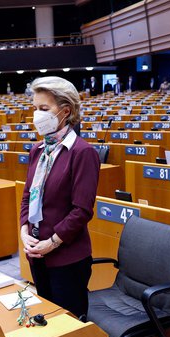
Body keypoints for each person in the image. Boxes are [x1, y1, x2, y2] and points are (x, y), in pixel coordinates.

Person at [19, 76, 100, 319]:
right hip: (37, 255)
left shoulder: (83, 153)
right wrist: (24, 230)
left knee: (68, 325)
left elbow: (82, 211)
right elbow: (27, 196)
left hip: (67, 258)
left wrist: (51, 243)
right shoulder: (38, 150)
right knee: (48, 321)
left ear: (65, 111)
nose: (37, 115)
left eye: (43, 109)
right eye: (35, 108)